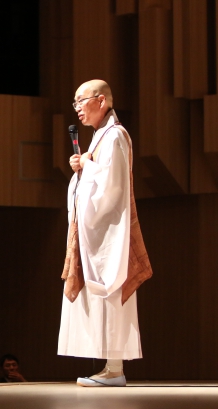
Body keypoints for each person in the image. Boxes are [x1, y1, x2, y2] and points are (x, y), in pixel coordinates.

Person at [59, 79, 152, 387]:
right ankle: (111, 367)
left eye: (81, 101)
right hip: (95, 232)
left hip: (109, 231)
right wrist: (82, 168)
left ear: (101, 101)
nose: (77, 108)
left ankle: (115, 369)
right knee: (100, 295)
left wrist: (87, 165)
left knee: (111, 290)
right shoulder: (102, 136)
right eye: (74, 103)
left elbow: (114, 184)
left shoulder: (115, 135)